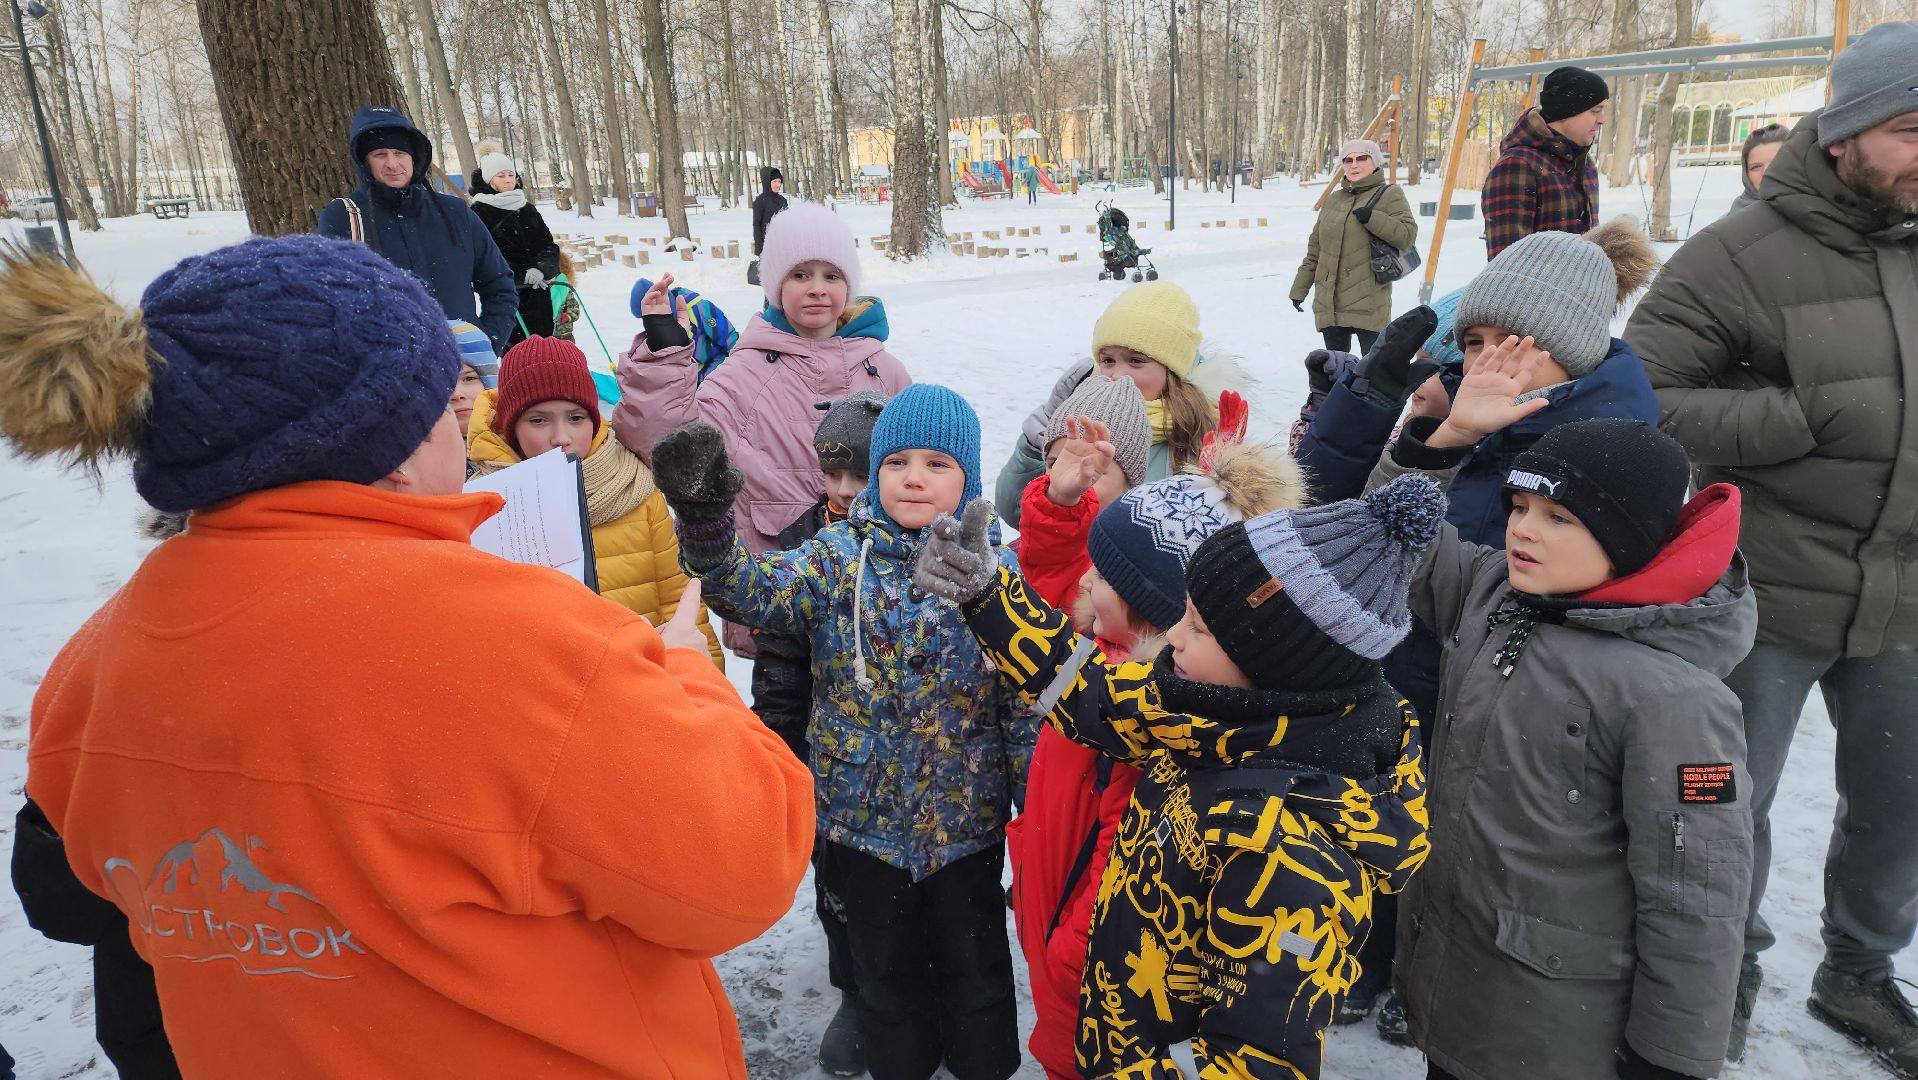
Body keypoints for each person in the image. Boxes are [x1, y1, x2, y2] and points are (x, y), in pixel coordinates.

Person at [0, 234, 811, 1078]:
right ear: (387, 446)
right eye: (442, 402)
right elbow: (746, 868)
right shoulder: (520, 641)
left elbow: (86, 884)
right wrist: (682, 672)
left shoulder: (95, 662)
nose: (462, 424)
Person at [914, 474, 1438, 1079]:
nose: (1175, 636)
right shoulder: (1213, 706)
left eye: (1200, 627)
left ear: (1273, 664)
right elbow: (1085, 691)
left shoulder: (1295, 854)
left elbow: (1256, 1061)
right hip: (1110, 1013)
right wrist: (988, 596)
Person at [1623, 20, 1918, 1069]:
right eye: (1909, 131)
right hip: (1769, 593)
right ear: (1842, 135)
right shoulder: (1736, 256)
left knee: (1899, 805)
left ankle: (1860, 971)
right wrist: (1794, 422)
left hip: (1906, 595)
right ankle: (1718, 972)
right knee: (1718, 806)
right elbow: (1639, 399)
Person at [1371, 341, 1756, 1080]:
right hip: (1458, 986)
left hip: (1554, 1033)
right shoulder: (1494, 595)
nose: (1522, 530)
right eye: (1518, 507)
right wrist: (1445, 440)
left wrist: (1668, 1059)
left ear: (1628, 540)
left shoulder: (1675, 699)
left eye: (1558, 517)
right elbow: (1390, 543)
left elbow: (1695, 898)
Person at [652, 384, 1036, 1080]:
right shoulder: (836, 558)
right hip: (863, 827)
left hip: (965, 828)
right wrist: (707, 525)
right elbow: (751, 590)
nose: (914, 476)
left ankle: (982, 1065)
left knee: (975, 969)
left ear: (970, 480)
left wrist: (1031, 806)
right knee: (882, 975)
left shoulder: (997, 577)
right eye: (897, 462)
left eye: (937, 464)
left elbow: (1020, 704)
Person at [1009, 426, 1306, 1080]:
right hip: (1052, 901)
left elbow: (1120, 877)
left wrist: (1067, 967)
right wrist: (1061, 506)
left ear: (1155, 610)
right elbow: (1051, 580)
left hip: (1087, 968)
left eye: (1105, 573)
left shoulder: (1148, 722)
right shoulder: (1100, 648)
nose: (1086, 580)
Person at [613, 203, 911, 661]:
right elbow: (668, 437)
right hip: (778, 596)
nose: (817, 289)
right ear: (774, 285)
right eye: (800, 275)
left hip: (881, 602)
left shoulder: (883, 369)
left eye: (831, 275)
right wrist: (665, 347)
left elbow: (923, 461)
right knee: (784, 726)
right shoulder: (744, 374)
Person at [749, 389, 889, 1076]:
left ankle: (917, 991)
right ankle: (856, 992)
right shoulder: (804, 544)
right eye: (830, 473)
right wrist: (780, 748)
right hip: (824, 754)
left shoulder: (931, 541)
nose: (841, 491)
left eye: (858, 475)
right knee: (838, 882)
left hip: (908, 762)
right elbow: (777, 663)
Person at [465, 335, 724, 663]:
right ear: (511, 427)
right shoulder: (483, 509)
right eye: (538, 420)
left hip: (647, 692)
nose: (561, 438)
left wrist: (702, 689)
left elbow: (682, 607)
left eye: (576, 418)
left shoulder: (634, 489)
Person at [991, 281, 1243, 529]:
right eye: (1108, 360)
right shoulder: (1082, 420)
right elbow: (1016, 512)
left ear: (1173, 370)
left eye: (1136, 360)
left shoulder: (1198, 432)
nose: (1117, 374)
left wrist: (1225, 473)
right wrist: (1037, 441)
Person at [317, 105, 517, 350]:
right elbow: (329, 302)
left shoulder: (456, 213)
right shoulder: (344, 217)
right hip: (387, 375)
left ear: (414, 157)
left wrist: (484, 346)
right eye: (379, 154)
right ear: (364, 161)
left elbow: (500, 285)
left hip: (459, 369)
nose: (392, 163)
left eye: (399, 152)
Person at [13, 798, 182, 1079]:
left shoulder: (89, 763)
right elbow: (57, 911)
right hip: (163, 1023)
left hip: (154, 1026)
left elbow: (58, 912)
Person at [1290, 138, 1419, 354]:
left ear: (1376, 162)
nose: (1354, 165)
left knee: (1370, 373)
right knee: (1337, 371)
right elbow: (1315, 252)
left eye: (1362, 158)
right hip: (1330, 304)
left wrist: (1373, 218)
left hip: (1368, 302)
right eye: (1348, 160)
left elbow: (1406, 236)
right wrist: (1299, 289)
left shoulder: (1390, 195)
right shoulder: (1333, 200)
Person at [1483, 66, 1608, 258]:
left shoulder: (1585, 165)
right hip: (1537, 288)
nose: (1602, 120)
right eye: (1595, 111)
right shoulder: (1518, 166)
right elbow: (1506, 267)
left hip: (1581, 288)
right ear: (1568, 111)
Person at [467, 141, 563, 344]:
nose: (508, 180)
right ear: (488, 180)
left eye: (511, 175)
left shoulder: (527, 208)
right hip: (504, 296)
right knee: (516, 354)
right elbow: (483, 256)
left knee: (544, 349)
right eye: (501, 176)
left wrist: (541, 269)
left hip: (539, 292)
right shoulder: (479, 212)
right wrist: (520, 275)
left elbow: (548, 245)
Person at [447, 319, 498, 444]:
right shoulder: (412, 459)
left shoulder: (524, 442)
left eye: (469, 378)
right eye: (443, 384)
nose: (456, 394)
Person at [1728, 123, 1790, 214]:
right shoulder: (1732, 223)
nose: (1766, 172)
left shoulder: (1815, 207)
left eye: (1777, 162)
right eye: (1756, 167)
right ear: (1746, 174)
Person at [750, 166, 788, 284]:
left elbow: (787, 224)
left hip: (781, 247)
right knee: (770, 283)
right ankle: (769, 303)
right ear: (767, 182)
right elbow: (756, 225)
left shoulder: (783, 201)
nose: (778, 184)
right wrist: (759, 248)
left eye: (779, 181)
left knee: (782, 281)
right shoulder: (760, 201)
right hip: (766, 248)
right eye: (774, 181)